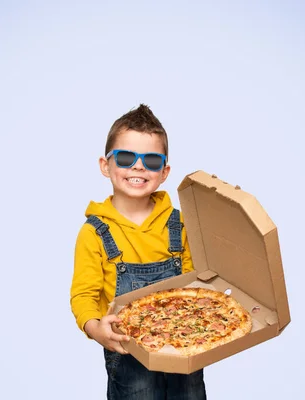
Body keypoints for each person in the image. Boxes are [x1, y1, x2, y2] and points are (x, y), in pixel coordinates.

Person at [70, 104, 207, 399]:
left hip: (184, 348)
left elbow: (197, 284)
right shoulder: (94, 233)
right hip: (129, 357)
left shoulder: (181, 224)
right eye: (126, 157)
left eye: (152, 160)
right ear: (105, 165)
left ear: (165, 171)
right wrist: (96, 329)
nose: (139, 167)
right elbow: (84, 296)